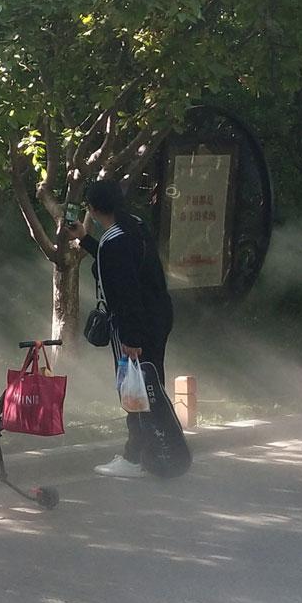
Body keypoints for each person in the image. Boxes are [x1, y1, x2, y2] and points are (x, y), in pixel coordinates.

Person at [71, 177, 179, 479]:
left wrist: (131, 338)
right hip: (158, 317)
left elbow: (126, 292)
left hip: (135, 326)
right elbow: (120, 264)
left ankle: (135, 458)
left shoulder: (114, 241)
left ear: (92, 209)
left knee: (134, 390)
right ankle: (157, 450)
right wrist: (85, 240)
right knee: (151, 386)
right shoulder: (135, 226)